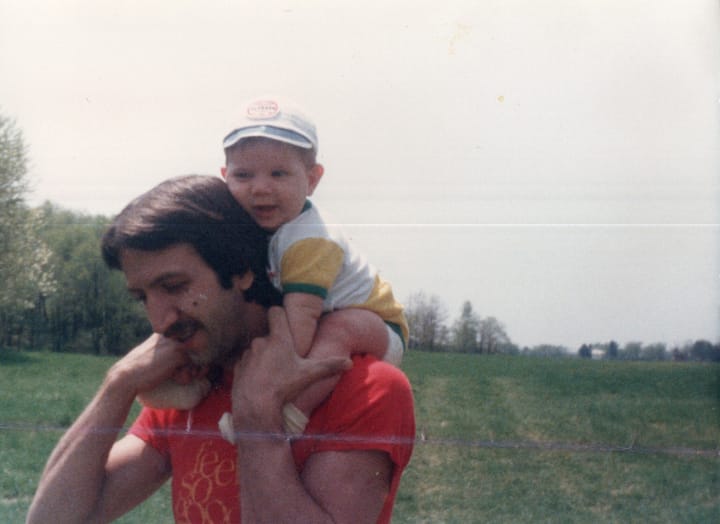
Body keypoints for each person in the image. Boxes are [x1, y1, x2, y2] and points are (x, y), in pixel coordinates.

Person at [26, 175, 416, 523]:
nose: (160, 321)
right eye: (142, 297)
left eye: (174, 286)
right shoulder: (194, 383)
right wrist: (119, 384)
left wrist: (258, 418)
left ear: (242, 269)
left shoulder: (366, 387)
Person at [220, 96, 409, 434]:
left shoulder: (311, 239)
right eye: (244, 174)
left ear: (312, 180)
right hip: (312, 314)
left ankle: (287, 413)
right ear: (224, 177)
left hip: (378, 327)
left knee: (340, 328)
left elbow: (300, 326)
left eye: (279, 173)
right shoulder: (251, 226)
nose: (261, 188)